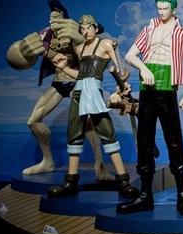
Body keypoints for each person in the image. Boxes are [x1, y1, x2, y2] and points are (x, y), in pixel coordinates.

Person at [6, 0, 111, 179]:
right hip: (58, 82)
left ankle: (99, 165)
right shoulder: (44, 37)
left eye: (58, 17)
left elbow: (98, 53)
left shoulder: (78, 33)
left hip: (78, 81)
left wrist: (81, 41)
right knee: (34, 120)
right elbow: (16, 60)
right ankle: (47, 161)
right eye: (52, 18)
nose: (54, 22)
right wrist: (23, 50)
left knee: (90, 122)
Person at [117, 0, 183, 216]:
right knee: (144, 140)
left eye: (165, 8)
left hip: (167, 90)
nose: (161, 12)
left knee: (174, 141)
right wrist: (143, 68)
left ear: (173, 9)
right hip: (147, 90)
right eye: (159, 8)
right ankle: (146, 195)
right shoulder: (149, 29)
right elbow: (130, 55)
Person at [47, 15, 138, 199]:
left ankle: (123, 181)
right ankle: (70, 182)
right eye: (82, 28)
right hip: (78, 92)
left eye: (89, 27)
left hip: (94, 93)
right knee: (74, 134)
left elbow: (122, 71)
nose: (85, 31)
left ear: (96, 28)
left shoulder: (106, 44)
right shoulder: (79, 49)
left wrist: (120, 89)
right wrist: (64, 67)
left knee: (107, 133)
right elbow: (81, 74)